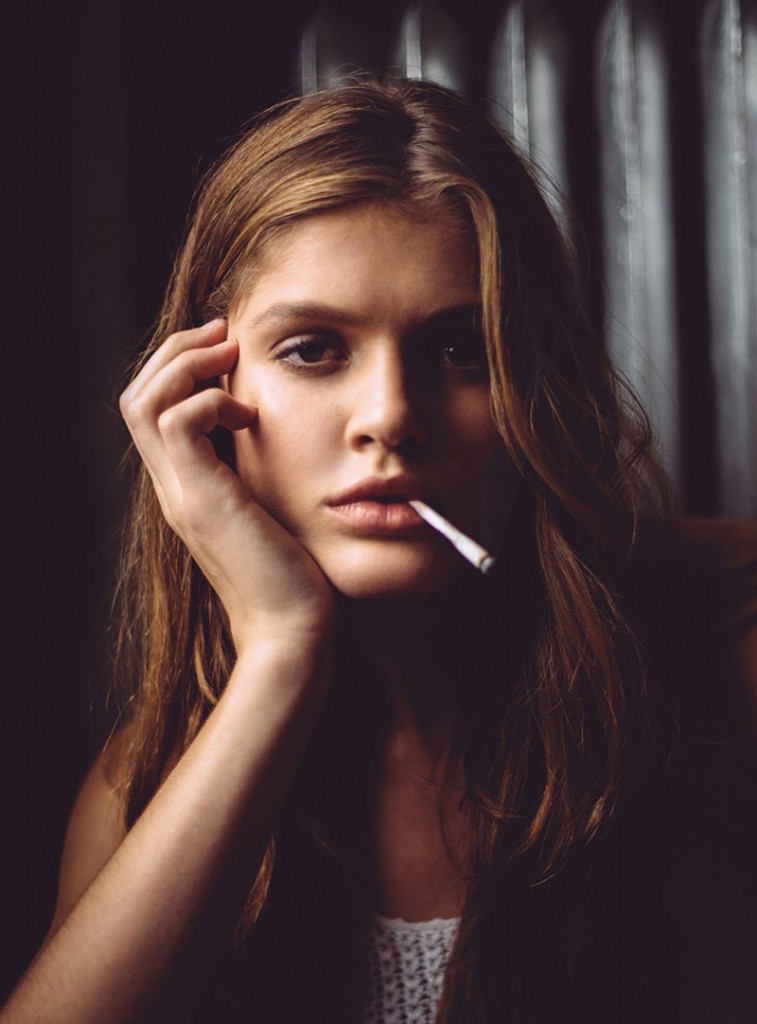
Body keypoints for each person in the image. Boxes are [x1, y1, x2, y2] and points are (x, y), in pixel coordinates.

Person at [2, 77, 755, 1024]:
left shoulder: (717, 661)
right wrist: (282, 649)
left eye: (460, 351)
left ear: (538, 385)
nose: (391, 417)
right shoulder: (148, 790)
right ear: (201, 400)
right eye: (314, 349)